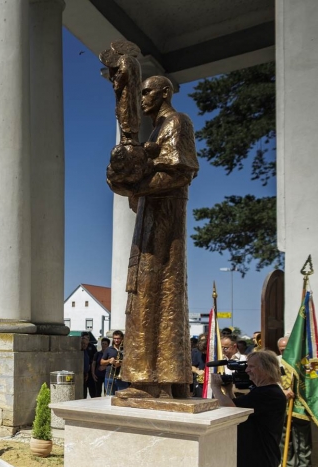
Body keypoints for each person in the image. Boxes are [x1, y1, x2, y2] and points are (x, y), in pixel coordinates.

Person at [107, 75, 199, 400]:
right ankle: (164, 381)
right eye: (141, 91)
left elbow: (180, 170)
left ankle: (151, 382)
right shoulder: (158, 129)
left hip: (165, 222)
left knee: (157, 294)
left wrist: (137, 185)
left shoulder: (177, 122)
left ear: (164, 93)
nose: (142, 97)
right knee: (147, 294)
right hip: (150, 218)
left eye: (147, 91)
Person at [277, 336, 314, 467]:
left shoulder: (303, 362)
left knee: (303, 439)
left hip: (300, 404)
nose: (284, 351)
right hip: (282, 403)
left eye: (286, 349)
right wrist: (283, 390)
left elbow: (312, 381)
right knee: (284, 438)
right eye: (281, 349)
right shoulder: (277, 361)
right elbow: (272, 379)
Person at [99, 330, 126, 395]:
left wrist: (120, 364)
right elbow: (101, 362)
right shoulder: (109, 349)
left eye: (118, 338)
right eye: (115, 338)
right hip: (109, 377)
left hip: (122, 378)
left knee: (122, 399)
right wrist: (109, 361)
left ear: (122, 338)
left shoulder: (126, 349)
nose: (116, 340)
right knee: (109, 398)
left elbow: (130, 363)